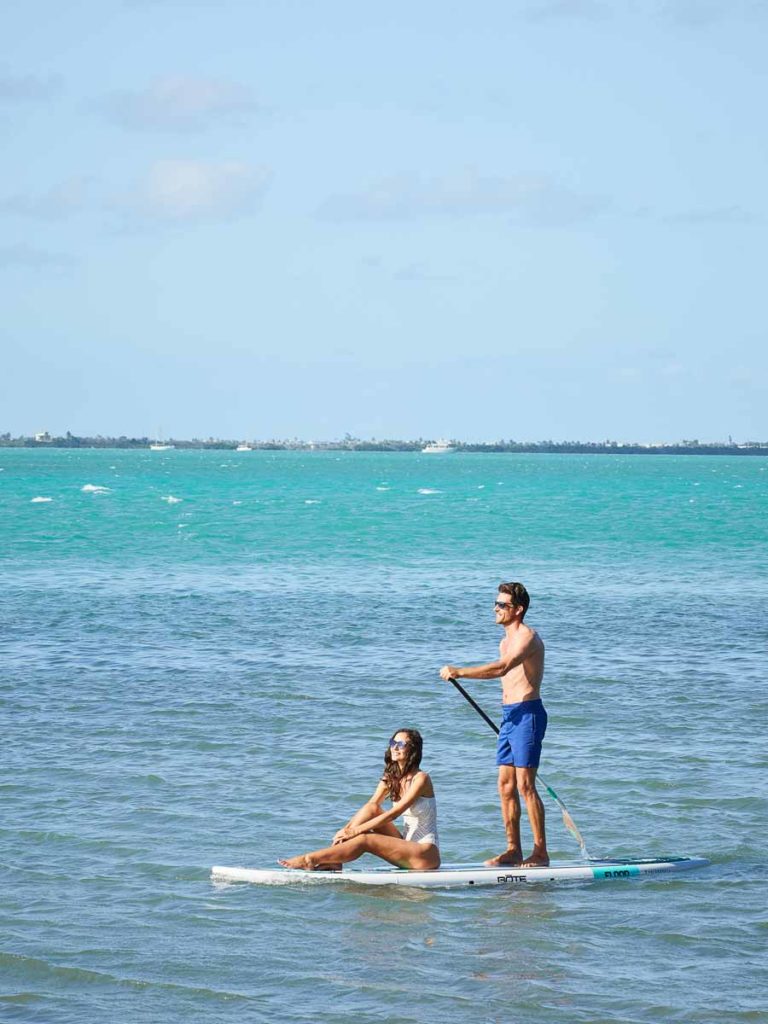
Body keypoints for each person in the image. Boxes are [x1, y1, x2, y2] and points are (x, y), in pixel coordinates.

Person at [440, 581, 549, 868]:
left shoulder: (527, 637)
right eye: (496, 603)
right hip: (509, 715)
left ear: (518, 610)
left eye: (502, 605)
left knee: (526, 785)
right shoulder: (504, 641)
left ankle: (540, 852)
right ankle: (513, 850)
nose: (496, 609)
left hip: (528, 714)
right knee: (505, 785)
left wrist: (460, 671)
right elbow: (501, 674)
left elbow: (502, 668)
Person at [279, 728, 440, 872]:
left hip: (425, 853)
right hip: (405, 846)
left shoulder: (421, 778)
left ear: (412, 749)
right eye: (393, 742)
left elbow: (394, 814)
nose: (395, 747)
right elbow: (371, 807)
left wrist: (354, 831)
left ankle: (310, 859)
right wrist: (347, 831)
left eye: (401, 743)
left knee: (365, 839)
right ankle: (334, 858)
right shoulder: (391, 778)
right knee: (371, 809)